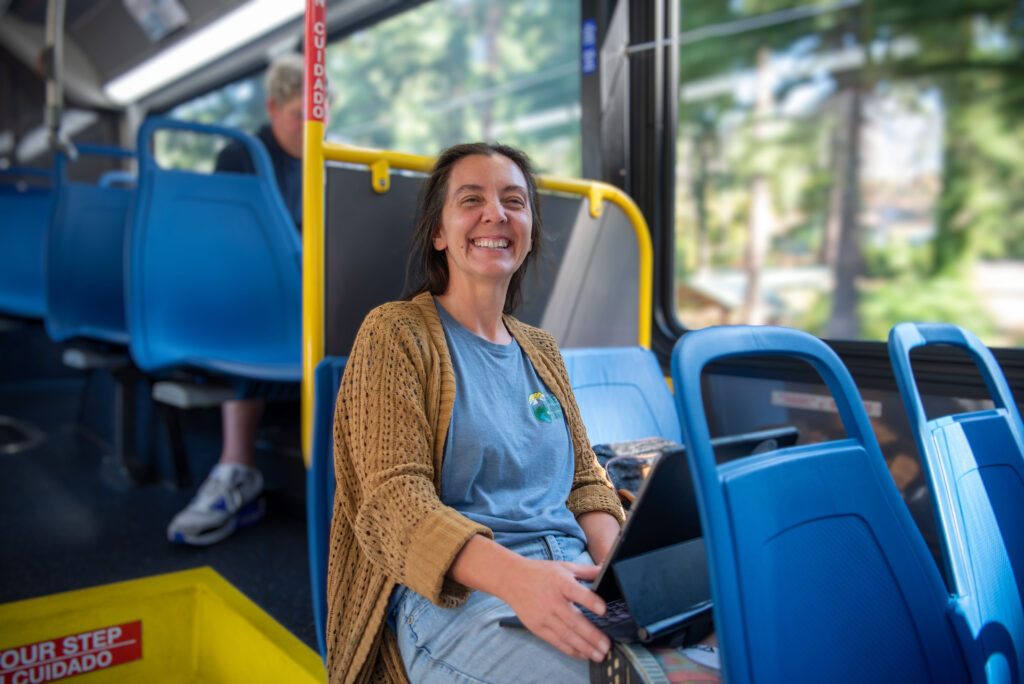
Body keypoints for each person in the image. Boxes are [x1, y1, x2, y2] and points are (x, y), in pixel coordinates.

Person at [324, 142, 627, 684]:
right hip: (457, 596)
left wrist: (619, 573)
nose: (497, 213)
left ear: (530, 228)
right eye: (471, 199)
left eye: (515, 200)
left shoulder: (543, 349)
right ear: (439, 234)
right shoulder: (394, 334)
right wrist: (519, 579)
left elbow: (586, 482)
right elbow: (393, 504)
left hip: (575, 573)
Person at [166, 53, 313, 546]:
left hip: (303, 293)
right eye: (300, 117)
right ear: (273, 108)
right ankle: (236, 466)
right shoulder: (242, 157)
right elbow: (228, 245)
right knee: (256, 310)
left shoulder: (323, 164)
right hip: (250, 293)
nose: (312, 129)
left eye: (320, 116)